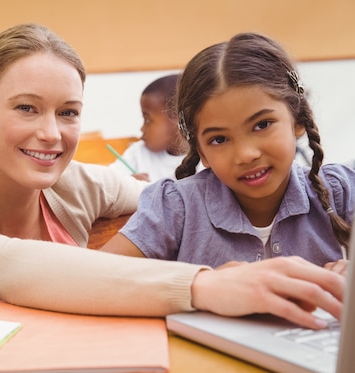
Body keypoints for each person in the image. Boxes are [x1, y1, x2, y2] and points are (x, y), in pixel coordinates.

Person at [0, 23, 344, 329]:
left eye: (67, 112)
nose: (50, 133)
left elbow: (170, 199)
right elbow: (7, 265)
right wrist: (206, 285)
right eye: (26, 107)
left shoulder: (77, 184)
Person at [101, 32, 353, 276]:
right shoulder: (175, 209)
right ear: (201, 151)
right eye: (219, 139)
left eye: (262, 125)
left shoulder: (341, 191)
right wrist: (197, 284)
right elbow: (97, 277)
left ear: (297, 118)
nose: (245, 155)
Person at [109, 74, 188, 182]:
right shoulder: (137, 153)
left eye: (147, 120)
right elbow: (108, 184)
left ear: (177, 120)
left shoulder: (204, 159)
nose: (142, 128)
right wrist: (128, 184)